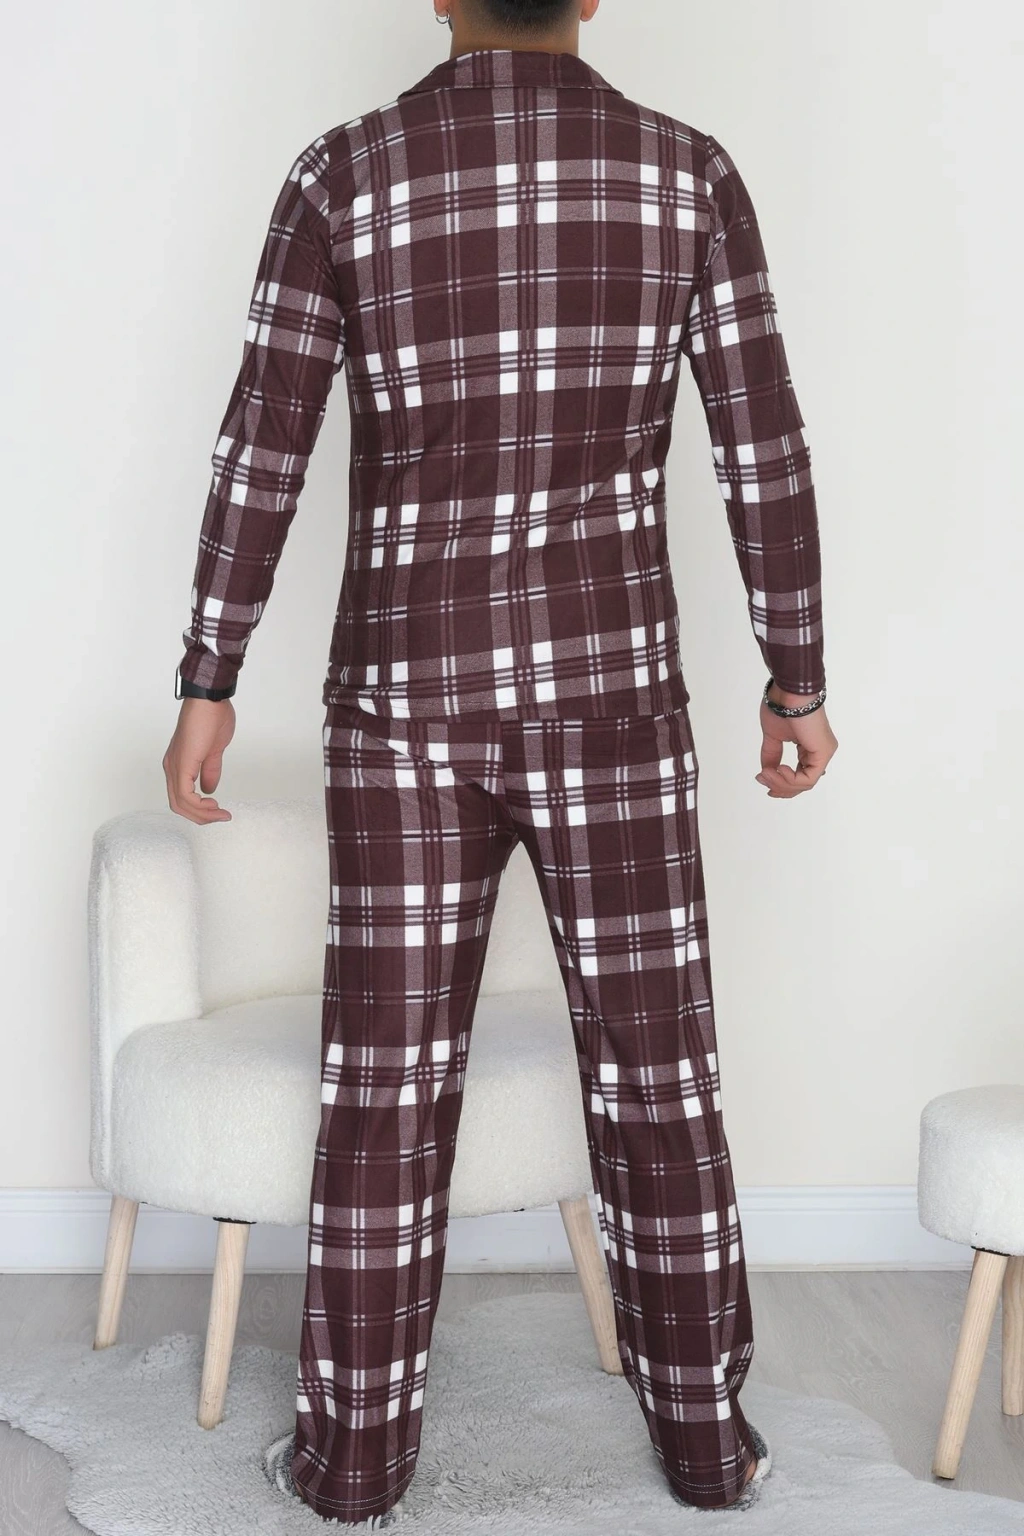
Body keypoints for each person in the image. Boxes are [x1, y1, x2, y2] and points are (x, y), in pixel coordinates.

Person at [163, 0, 838, 1524]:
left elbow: (263, 442)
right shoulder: (689, 175)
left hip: (406, 698)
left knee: (386, 1089)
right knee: (658, 1076)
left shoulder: (345, 173)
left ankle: (352, 1464)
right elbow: (763, 446)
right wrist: (795, 671)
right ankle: (705, 1443)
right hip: (613, 692)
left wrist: (210, 676)